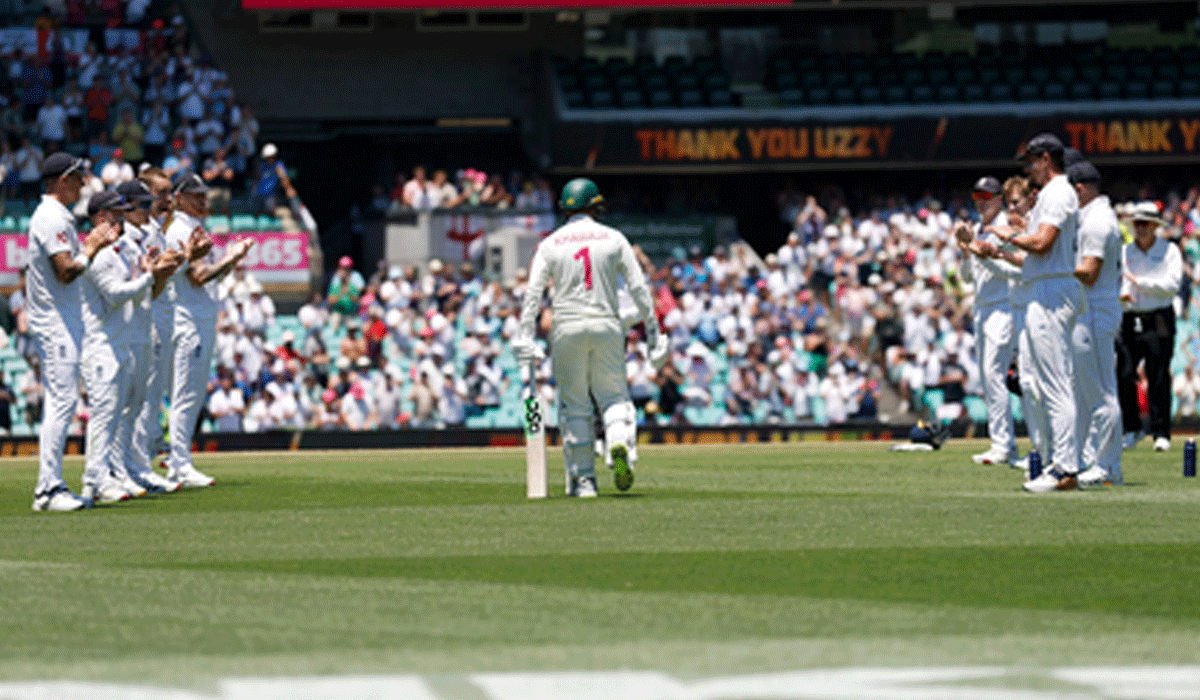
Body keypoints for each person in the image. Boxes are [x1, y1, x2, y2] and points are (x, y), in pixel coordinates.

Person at [513, 178, 667, 497]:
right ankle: (619, 442)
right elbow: (639, 288)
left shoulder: (550, 243)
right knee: (613, 397)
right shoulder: (614, 238)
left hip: (566, 327)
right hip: (606, 324)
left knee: (575, 405)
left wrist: (525, 334)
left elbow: (532, 294)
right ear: (595, 205)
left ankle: (584, 480)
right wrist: (653, 331)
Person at [980, 134, 1082, 493]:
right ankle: (1062, 461)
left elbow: (1042, 244)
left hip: (1052, 288)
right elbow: (1037, 241)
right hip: (1047, 284)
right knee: (1047, 382)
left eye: (1030, 162)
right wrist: (1015, 236)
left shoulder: (1057, 192)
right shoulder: (1054, 194)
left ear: (1044, 159)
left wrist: (1007, 234)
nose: (1027, 169)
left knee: (1055, 383)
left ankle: (1066, 466)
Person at [27, 153, 120, 511]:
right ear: (62, 181)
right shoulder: (51, 217)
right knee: (62, 400)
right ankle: (47, 489)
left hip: (63, 317)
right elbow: (65, 271)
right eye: (78, 177)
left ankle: (52, 487)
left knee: (64, 400)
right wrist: (92, 248)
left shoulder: (58, 216)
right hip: (55, 320)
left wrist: (93, 249)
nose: (84, 182)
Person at [79, 190, 182, 504]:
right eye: (115, 213)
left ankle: (113, 474)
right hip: (100, 343)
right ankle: (95, 481)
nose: (122, 218)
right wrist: (150, 277)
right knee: (105, 414)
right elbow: (115, 294)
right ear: (99, 217)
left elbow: (136, 295)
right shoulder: (98, 253)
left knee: (120, 413)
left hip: (119, 340)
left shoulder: (119, 249)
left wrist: (152, 272)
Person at [164, 173, 254, 487]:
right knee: (186, 394)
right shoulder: (179, 229)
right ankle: (179, 464)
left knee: (192, 393)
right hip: (188, 319)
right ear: (179, 198)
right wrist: (232, 259)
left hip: (200, 317)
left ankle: (179, 460)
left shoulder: (194, 227)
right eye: (195, 195)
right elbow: (198, 277)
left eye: (203, 194)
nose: (203, 200)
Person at [113, 178, 181, 494]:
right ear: (125, 208)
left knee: (138, 403)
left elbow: (152, 291)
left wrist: (162, 272)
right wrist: (156, 272)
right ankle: (118, 470)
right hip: (125, 330)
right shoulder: (121, 240)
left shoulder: (140, 238)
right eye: (142, 205)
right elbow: (122, 289)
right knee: (123, 406)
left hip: (142, 324)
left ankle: (136, 467)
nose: (148, 209)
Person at [954, 175, 1020, 467]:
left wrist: (976, 248)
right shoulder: (978, 227)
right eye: (977, 198)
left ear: (998, 198)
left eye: (986, 197)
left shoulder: (1006, 226)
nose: (981, 203)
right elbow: (966, 277)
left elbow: (1007, 269)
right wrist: (966, 249)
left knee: (995, 374)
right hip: (982, 307)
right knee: (988, 377)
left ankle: (1004, 445)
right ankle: (1002, 444)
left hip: (1003, 306)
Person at [1067, 162, 1124, 487]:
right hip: (1089, 310)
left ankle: (1108, 466)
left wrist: (1057, 267)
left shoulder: (1098, 222)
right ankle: (1093, 460)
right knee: (1090, 393)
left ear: (1079, 189)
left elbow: (1089, 273)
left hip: (1095, 311)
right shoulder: (1090, 218)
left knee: (1102, 393)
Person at [1118, 201, 1182, 452]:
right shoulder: (1124, 253)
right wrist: (1121, 295)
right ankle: (1132, 429)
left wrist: (1140, 282)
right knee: (1124, 373)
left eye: (1145, 223)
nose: (1140, 228)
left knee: (1157, 375)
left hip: (1159, 318)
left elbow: (1172, 284)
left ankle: (1160, 432)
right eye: (1137, 223)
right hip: (1130, 317)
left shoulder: (1169, 251)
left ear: (1155, 226)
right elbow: (1118, 283)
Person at [131, 167, 177, 483]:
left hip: (161, 313)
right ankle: (140, 466)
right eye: (162, 193)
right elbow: (147, 284)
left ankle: (144, 461)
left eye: (170, 192)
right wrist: (166, 268)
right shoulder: (143, 232)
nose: (169, 199)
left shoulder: (157, 228)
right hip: (149, 315)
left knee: (155, 393)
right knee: (145, 396)